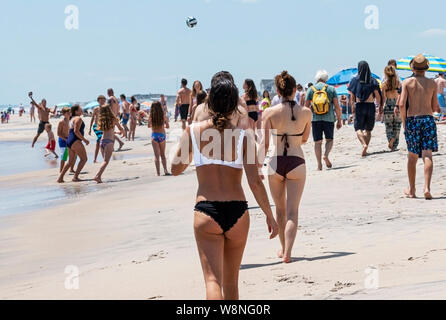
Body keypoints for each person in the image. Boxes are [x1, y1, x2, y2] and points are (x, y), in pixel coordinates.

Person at [171, 72, 278, 300]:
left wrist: (192, 150)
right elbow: (255, 182)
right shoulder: (243, 136)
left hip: (206, 211)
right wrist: (269, 215)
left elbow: (175, 168)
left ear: (209, 101)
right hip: (238, 212)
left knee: (212, 281)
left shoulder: (194, 131)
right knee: (231, 283)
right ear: (234, 104)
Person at [260, 71, 312, 264]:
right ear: (294, 89)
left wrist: (258, 166)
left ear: (278, 91)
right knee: (292, 211)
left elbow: (264, 144)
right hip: (296, 160)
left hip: (275, 162)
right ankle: (288, 252)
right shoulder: (306, 112)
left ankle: (282, 248)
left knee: (279, 210)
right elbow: (305, 139)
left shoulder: (268, 113)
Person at [399, 54, 439, 200]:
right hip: (428, 119)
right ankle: (427, 188)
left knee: (412, 156)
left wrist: (404, 122)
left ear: (412, 67)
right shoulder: (432, 83)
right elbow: (434, 107)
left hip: (412, 120)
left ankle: (412, 189)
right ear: (426, 68)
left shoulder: (407, 82)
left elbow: (402, 104)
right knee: (427, 154)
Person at [305, 70, 342, 170]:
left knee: (317, 142)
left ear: (317, 78)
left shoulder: (311, 89)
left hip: (315, 119)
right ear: (326, 78)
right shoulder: (331, 89)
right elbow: (337, 106)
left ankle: (319, 165)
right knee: (329, 140)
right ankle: (325, 155)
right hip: (329, 118)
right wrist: (339, 120)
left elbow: (305, 108)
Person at [348, 61, 382, 157]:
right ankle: (366, 147)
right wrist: (380, 107)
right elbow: (377, 95)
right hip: (370, 106)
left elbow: (352, 97)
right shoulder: (373, 80)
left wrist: (353, 108)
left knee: (358, 128)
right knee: (368, 129)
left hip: (359, 106)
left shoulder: (354, 80)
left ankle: (364, 145)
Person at [57, 105, 90, 183]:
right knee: (84, 159)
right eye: (80, 109)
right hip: (75, 140)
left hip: (69, 141)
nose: (82, 110)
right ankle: (75, 177)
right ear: (76, 111)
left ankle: (60, 178)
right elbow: (76, 131)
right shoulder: (78, 118)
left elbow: (71, 131)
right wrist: (84, 140)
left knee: (70, 161)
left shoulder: (71, 119)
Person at [94, 105, 125, 184]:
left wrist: (116, 132)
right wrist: (123, 132)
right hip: (109, 142)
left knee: (104, 161)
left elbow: (108, 131)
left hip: (102, 142)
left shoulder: (101, 121)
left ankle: (99, 177)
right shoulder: (113, 119)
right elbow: (120, 128)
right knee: (105, 161)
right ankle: (97, 176)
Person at [382, 65, 402, 151]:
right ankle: (395, 144)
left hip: (388, 105)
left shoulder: (384, 84)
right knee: (397, 126)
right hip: (397, 105)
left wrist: (380, 108)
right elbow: (401, 96)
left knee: (388, 126)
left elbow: (384, 98)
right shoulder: (398, 83)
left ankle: (391, 139)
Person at [148, 101, 170, 176]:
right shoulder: (163, 116)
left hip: (154, 136)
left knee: (156, 156)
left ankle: (158, 173)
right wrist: (163, 125)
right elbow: (167, 126)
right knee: (163, 154)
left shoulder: (151, 116)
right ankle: (166, 170)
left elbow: (148, 126)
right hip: (162, 135)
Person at [89, 95, 106, 163]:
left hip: (103, 127)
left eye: (103, 99)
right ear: (98, 101)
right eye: (101, 100)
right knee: (101, 140)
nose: (102, 101)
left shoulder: (106, 108)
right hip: (96, 127)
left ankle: (95, 159)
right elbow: (92, 118)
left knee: (98, 142)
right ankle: (104, 159)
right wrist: (90, 128)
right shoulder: (96, 109)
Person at [57, 107, 73, 172]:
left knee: (73, 155)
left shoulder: (71, 121)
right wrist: (65, 139)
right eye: (67, 112)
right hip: (62, 140)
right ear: (64, 114)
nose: (69, 113)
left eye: (70, 112)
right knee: (64, 156)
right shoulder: (61, 122)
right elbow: (58, 133)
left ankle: (71, 169)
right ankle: (61, 171)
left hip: (70, 139)